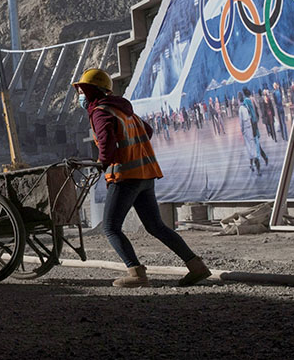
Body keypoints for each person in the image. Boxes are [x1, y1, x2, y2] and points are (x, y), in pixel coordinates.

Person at [74, 68, 210, 288]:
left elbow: (106, 142)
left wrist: (104, 162)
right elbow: (147, 130)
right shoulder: (124, 110)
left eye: (81, 90)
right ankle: (196, 266)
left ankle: (136, 273)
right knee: (156, 226)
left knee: (110, 227)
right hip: (145, 175)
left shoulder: (99, 112)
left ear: (90, 91)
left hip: (125, 176)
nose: (79, 94)